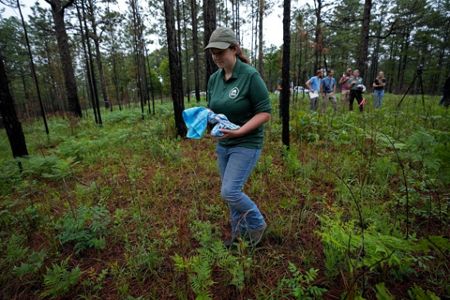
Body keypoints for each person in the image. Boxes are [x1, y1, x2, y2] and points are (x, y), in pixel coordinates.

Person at [204, 27, 271, 247]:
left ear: (234, 48)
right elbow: (213, 108)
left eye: (220, 51)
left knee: (230, 192)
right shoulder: (214, 79)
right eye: (213, 52)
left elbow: (265, 112)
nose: (216, 57)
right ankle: (237, 237)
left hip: (246, 143)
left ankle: (257, 224)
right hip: (224, 144)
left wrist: (240, 130)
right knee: (231, 196)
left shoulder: (249, 75)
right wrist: (205, 119)